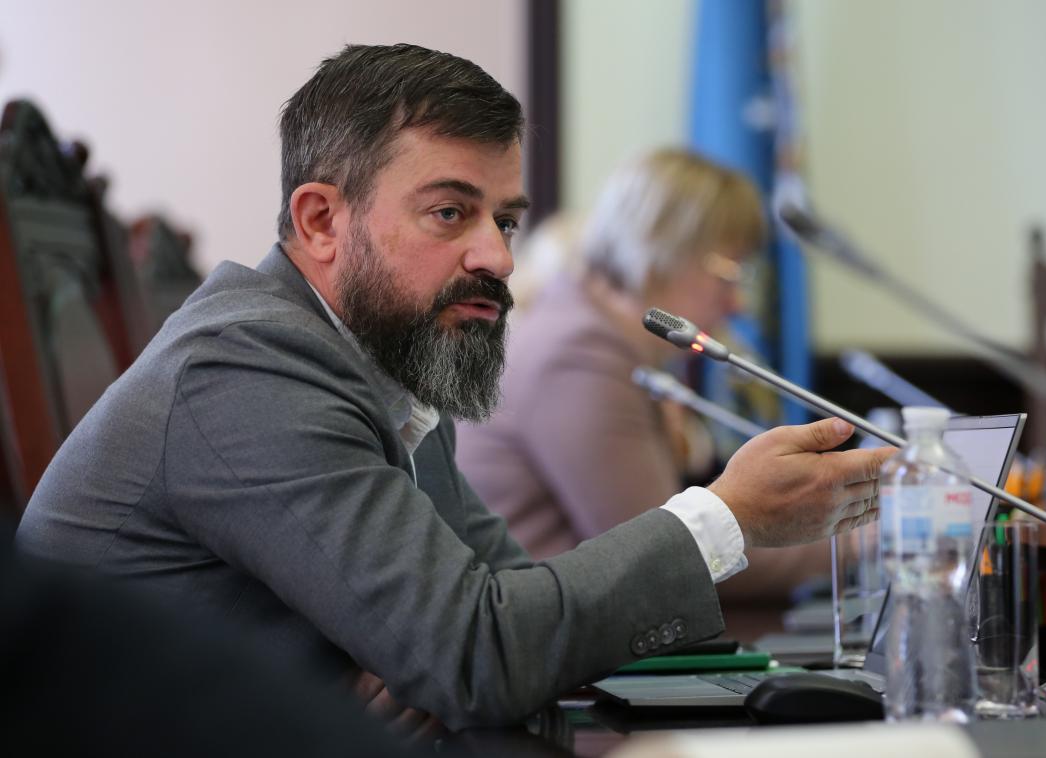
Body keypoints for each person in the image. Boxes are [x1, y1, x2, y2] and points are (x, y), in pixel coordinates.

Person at [15, 43, 890, 729]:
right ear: (320, 220)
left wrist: (458, 654)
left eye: (505, 219)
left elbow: (503, 608)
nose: (498, 257)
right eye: (450, 212)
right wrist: (726, 518)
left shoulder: (390, 350)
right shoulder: (246, 369)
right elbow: (478, 654)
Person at [457, 149, 831, 601]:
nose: (738, 305)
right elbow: (670, 558)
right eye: (729, 273)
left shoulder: (588, 331)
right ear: (663, 249)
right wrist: (859, 541)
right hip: (553, 635)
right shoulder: (577, 356)